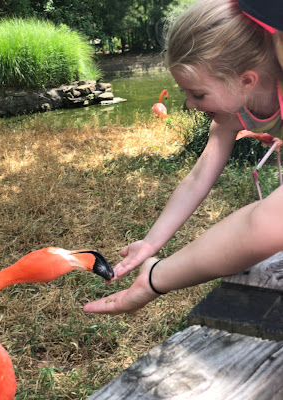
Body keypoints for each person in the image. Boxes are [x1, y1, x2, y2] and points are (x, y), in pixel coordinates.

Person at [84, 0, 283, 315]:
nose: (189, 105)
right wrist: (151, 243)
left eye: (198, 94)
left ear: (246, 80)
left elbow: (267, 223)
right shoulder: (234, 113)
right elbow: (198, 176)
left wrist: (155, 278)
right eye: (185, 94)